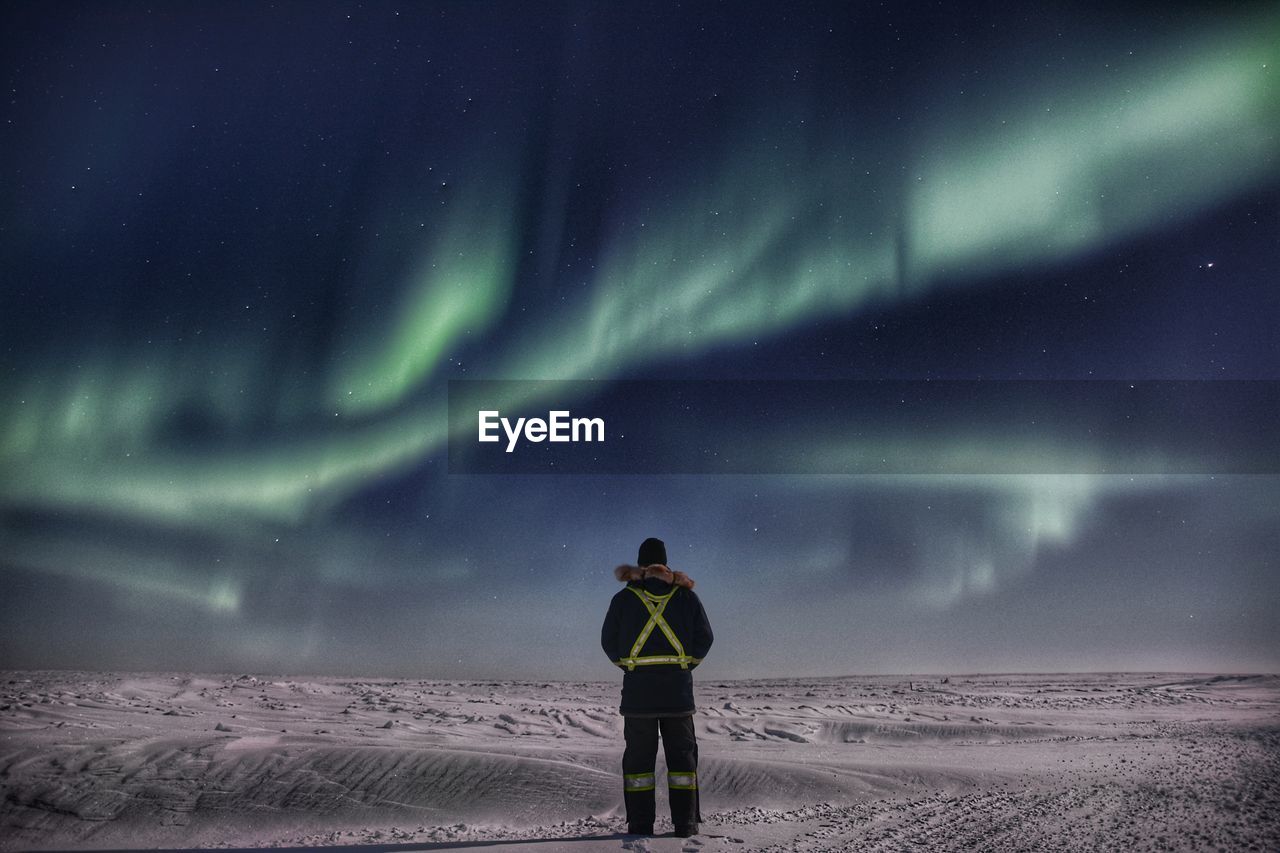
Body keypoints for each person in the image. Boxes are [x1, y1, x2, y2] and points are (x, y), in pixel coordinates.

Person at [601, 537, 714, 838]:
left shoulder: (623, 599)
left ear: (640, 565)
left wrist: (629, 665)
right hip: (678, 697)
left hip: (638, 699)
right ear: (666, 563)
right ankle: (685, 824)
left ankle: (640, 825)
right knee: (682, 763)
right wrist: (685, 665)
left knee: (638, 765)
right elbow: (705, 638)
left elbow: (607, 642)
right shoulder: (686, 597)